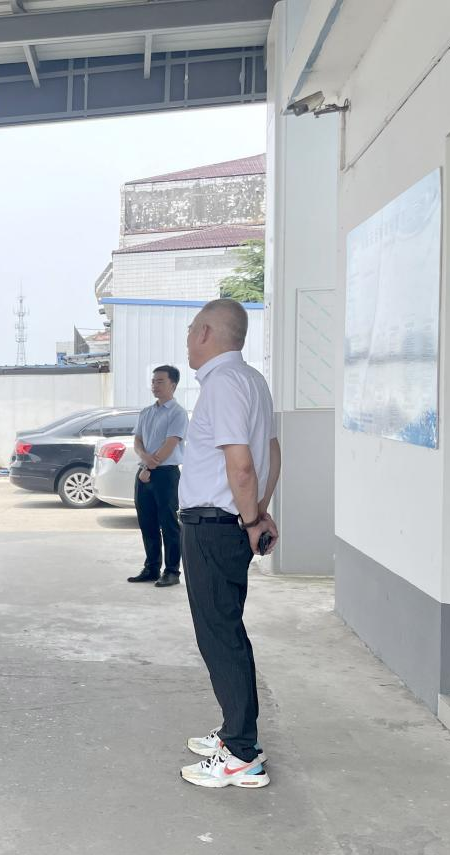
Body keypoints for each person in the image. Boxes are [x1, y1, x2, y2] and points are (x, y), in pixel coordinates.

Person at [177, 298, 280, 790]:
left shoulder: (222, 384)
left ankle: (241, 753)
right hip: (229, 523)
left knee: (219, 635)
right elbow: (273, 453)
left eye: (191, 330)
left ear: (206, 333)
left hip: (213, 527)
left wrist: (252, 516)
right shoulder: (252, 380)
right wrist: (257, 513)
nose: (187, 339)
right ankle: (234, 733)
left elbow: (241, 464)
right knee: (226, 629)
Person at [128, 365, 188, 589]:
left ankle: (172, 571)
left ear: (173, 384)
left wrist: (148, 467)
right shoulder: (146, 412)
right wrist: (144, 460)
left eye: (160, 381)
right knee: (147, 523)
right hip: (144, 472)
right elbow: (137, 441)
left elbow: (170, 444)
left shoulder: (177, 413)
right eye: (153, 381)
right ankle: (151, 567)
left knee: (169, 524)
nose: (155, 385)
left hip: (165, 474)